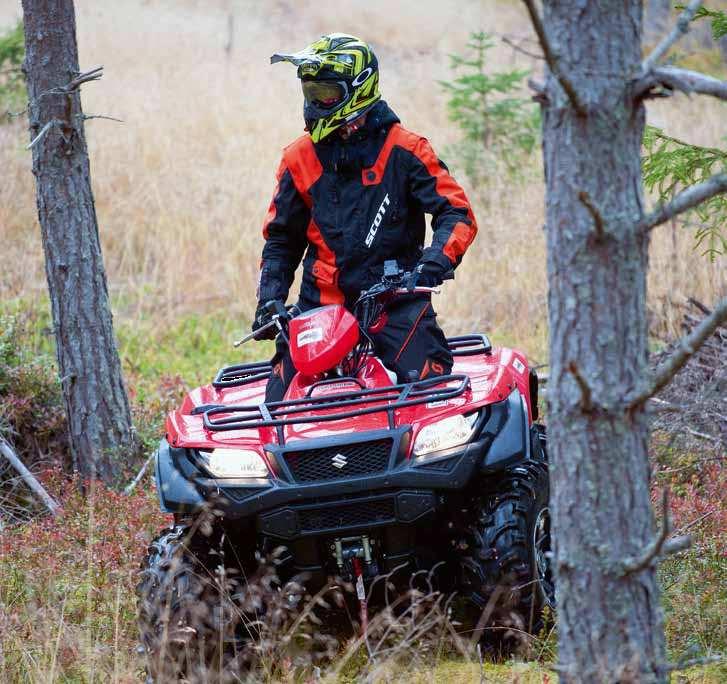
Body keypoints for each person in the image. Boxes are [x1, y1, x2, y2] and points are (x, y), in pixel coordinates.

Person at [254, 33, 478, 403]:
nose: (316, 102)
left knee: (429, 391)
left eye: (326, 93)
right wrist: (269, 299)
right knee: (279, 403)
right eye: (311, 93)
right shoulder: (298, 157)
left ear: (357, 90)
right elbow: (281, 239)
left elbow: (457, 213)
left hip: (395, 299)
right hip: (320, 306)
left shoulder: (405, 149)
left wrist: (432, 264)